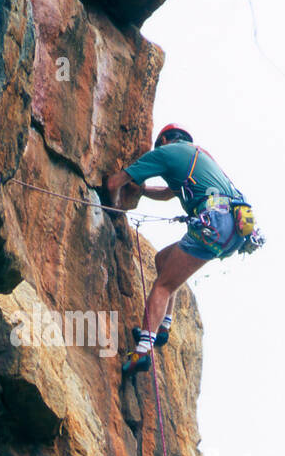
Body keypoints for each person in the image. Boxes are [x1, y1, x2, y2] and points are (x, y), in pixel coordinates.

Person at [105, 123, 264, 374]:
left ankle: (142, 352)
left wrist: (113, 212)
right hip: (234, 229)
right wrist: (144, 191)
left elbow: (114, 183)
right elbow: (169, 193)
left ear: (165, 139)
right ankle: (163, 327)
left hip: (213, 224)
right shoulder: (198, 156)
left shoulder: (164, 153)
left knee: (163, 285)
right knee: (162, 261)